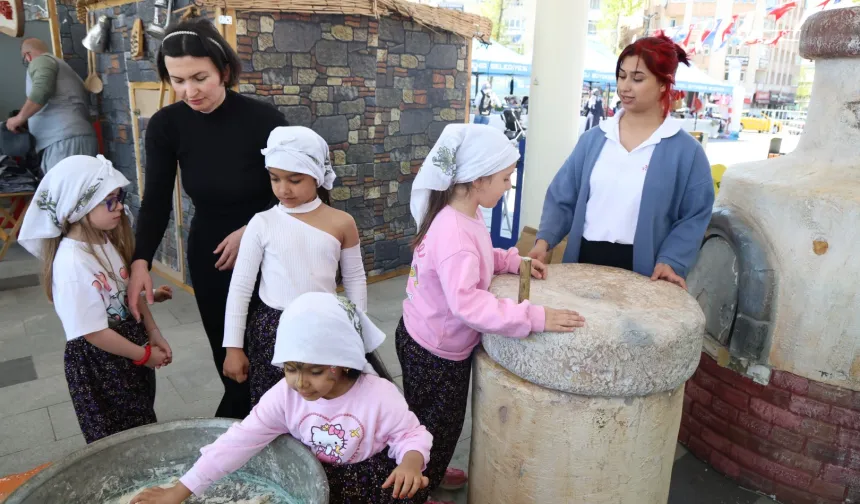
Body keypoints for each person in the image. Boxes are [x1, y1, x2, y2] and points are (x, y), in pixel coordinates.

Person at [396, 124, 586, 496]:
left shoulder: (458, 215)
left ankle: (429, 466)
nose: (509, 186)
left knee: (429, 420)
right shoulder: (455, 233)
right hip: (436, 353)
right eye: (505, 178)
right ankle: (420, 488)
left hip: (424, 337)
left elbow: (481, 256)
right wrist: (535, 316)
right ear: (478, 180)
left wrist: (512, 261)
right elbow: (468, 304)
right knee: (438, 422)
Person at [128, 17, 289, 420]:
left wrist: (255, 228)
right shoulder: (167, 125)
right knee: (230, 356)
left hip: (274, 243)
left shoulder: (264, 119)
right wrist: (140, 260)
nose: (189, 90)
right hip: (212, 253)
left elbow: (306, 191)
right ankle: (244, 431)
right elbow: (156, 200)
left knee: (275, 351)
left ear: (225, 71)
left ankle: (268, 427)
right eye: (177, 80)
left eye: (199, 77)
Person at [130, 292, 433, 504]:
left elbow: (410, 435)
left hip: (370, 481)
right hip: (313, 475)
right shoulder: (285, 397)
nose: (300, 383)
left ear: (342, 362)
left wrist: (410, 463)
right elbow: (238, 442)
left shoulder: (378, 395)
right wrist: (179, 490)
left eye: (314, 371)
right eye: (290, 368)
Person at [529, 34, 714, 290]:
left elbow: (694, 216)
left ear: (663, 84)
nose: (625, 86)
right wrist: (544, 242)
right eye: (622, 76)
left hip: (644, 271)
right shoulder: (594, 140)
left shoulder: (686, 152)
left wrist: (672, 260)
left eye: (637, 79)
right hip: (583, 262)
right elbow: (562, 197)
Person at [17, 155, 172, 444]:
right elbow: (94, 332)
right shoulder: (73, 263)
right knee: (118, 440)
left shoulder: (105, 240)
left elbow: (123, 291)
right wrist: (145, 356)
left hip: (128, 351)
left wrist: (153, 332)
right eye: (109, 200)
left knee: (140, 423)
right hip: (101, 365)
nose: (120, 207)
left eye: (119, 197)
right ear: (79, 206)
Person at [222, 126, 368, 406]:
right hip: (272, 328)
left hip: (324, 324)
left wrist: (356, 329)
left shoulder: (341, 222)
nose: (283, 189)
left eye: (294, 179)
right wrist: (233, 347)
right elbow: (241, 286)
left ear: (316, 175)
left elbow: (355, 278)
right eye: (274, 178)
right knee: (275, 405)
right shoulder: (262, 223)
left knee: (320, 401)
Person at [6, 38, 98, 173]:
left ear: (28, 55)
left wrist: (19, 118)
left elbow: (42, 90)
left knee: (64, 191)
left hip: (63, 141)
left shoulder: (42, 61)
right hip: (74, 138)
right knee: (80, 192)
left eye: (24, 59)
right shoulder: (63, 67)